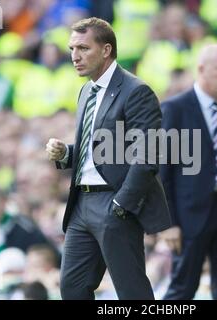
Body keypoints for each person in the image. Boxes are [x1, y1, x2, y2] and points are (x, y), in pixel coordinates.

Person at [45, 17, 171, 300]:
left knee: (132, 292)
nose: (75, 56)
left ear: (106, 50)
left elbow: (148, 154)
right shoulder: (86, 90)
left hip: (114, 203)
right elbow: (99, 149)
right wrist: (67, 153)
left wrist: (122, 204)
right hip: (81, 205)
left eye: (83, 48)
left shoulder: (136, 90)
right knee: (72, 289)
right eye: (72, 49)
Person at [160, 44, 217, 300]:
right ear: (201, 70)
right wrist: (168, 223)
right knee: (182, 291)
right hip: (190, 217)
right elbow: (162, 171)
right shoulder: (174, 109)